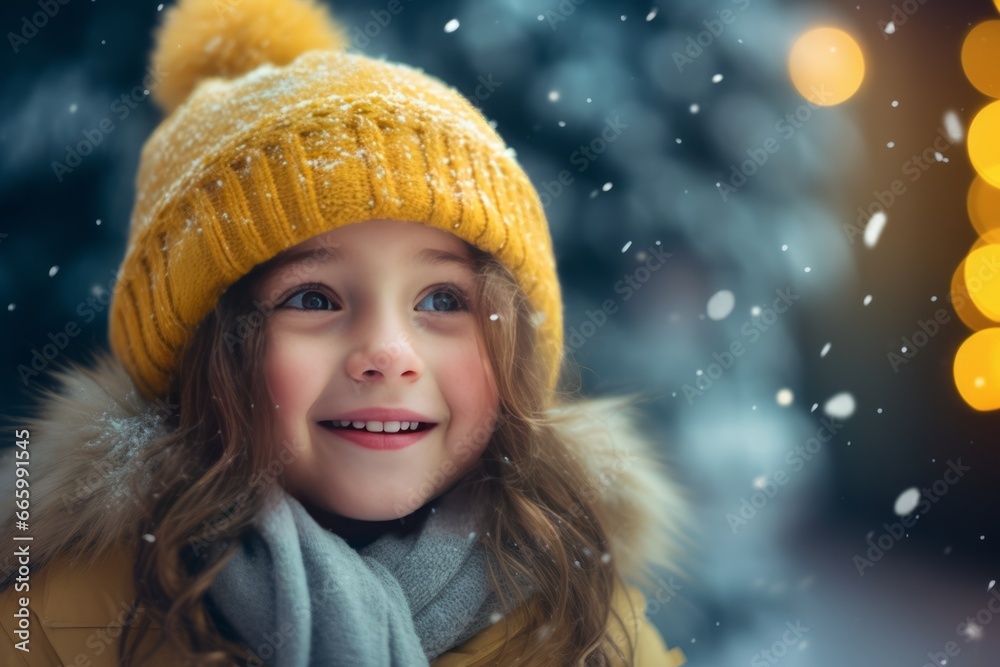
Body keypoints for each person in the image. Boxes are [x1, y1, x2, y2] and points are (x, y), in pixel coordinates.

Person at [0, 0, 688, 664]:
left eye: (444, 299)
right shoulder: (62, 625)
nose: (388, 354)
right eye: (312, 296)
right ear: (199, 350)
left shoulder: (593, 634)